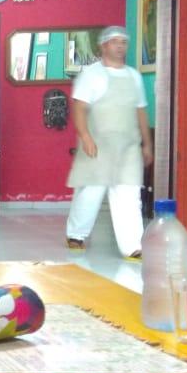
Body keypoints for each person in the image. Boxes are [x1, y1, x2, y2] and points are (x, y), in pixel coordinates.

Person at [65, 26, 153, 259]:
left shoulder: (133, 76)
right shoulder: (91, 75)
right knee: (90, 191)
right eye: (115, 42)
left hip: (127, 146)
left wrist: (147, 143)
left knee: (129, 193)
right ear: (104, 46)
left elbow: (141, 111)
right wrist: (85, 136)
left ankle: (132, 245)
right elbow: (80, 107)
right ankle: (77, 233)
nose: (120, 46)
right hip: (98, 143)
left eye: (123, 42)